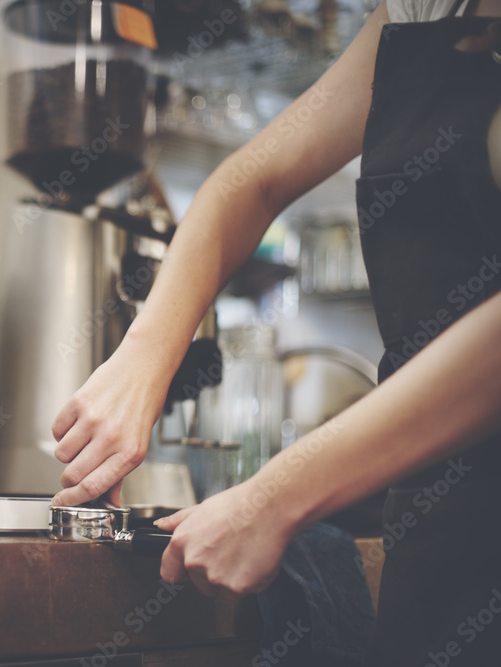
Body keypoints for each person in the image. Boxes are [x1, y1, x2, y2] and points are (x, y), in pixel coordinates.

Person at [50, 0, 501, 662]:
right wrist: (145, 357)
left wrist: (275, 496)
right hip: (433, 529)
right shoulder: (428, 7)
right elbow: (251, 180)